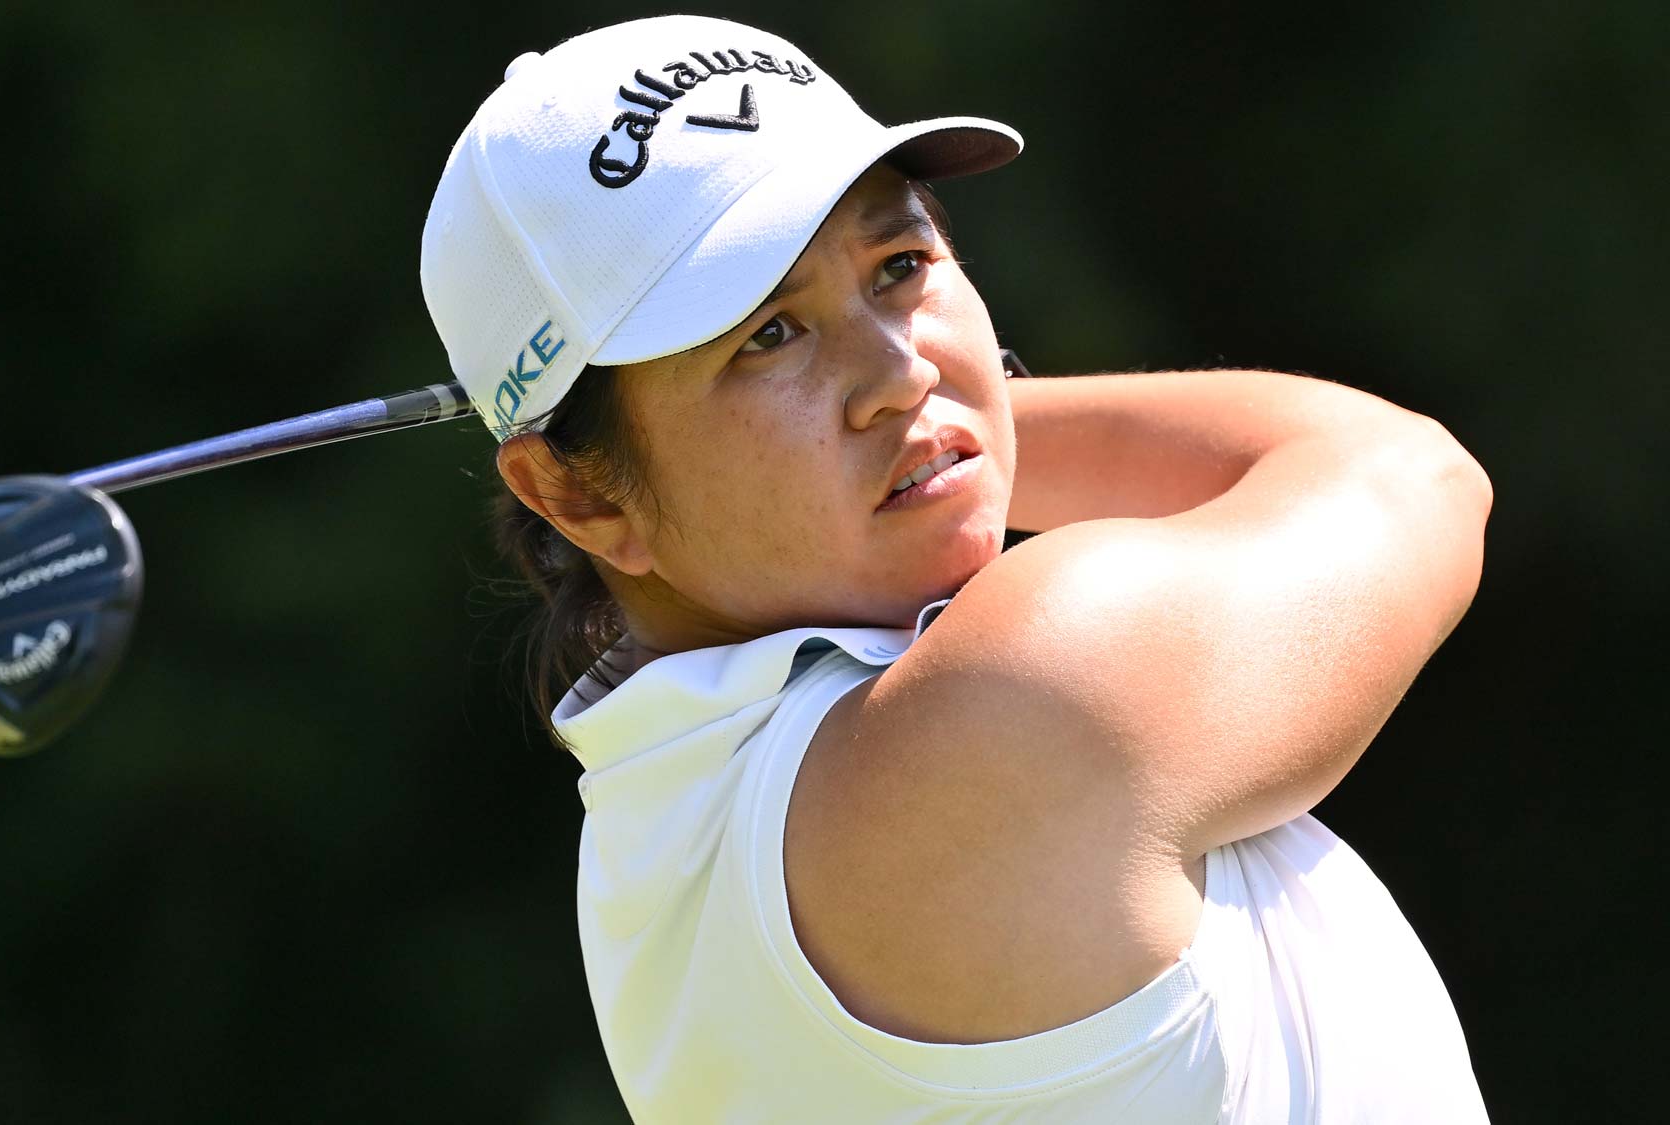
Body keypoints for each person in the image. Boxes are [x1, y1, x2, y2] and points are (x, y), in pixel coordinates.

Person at [421, 15, 1492, 1123]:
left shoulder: (647, 851)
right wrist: (953, 428)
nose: (896, 368)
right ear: (577, 496)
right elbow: (1406, 474)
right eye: (765, 337)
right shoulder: (1015, 698)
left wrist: (933, 431)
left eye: (898, 266)